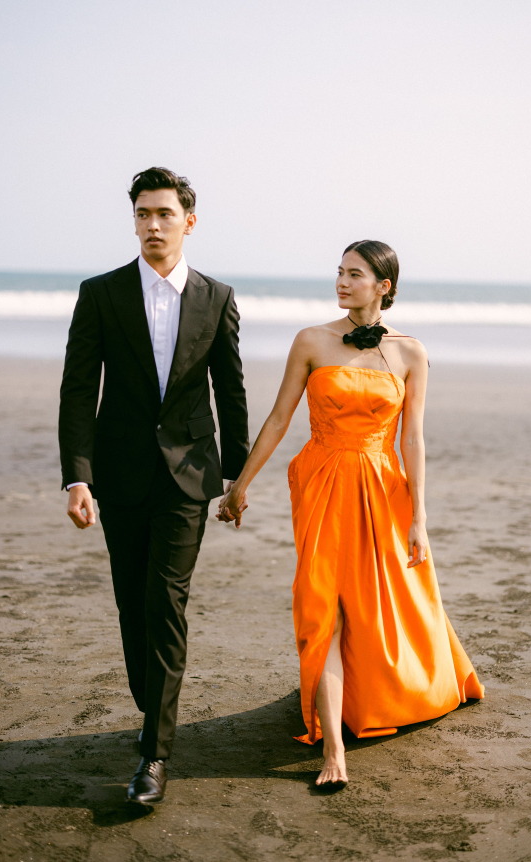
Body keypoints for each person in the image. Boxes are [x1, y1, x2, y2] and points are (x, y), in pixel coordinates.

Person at [218, 239, 484, 787]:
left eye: (355, 274)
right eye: (338, 272)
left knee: (374, 603)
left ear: (383, 285)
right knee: (325, 608)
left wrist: (420, 518)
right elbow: (276, 418)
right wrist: (240, 485)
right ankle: (333, 750)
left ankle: (387, 691)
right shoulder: (312, 340)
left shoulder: (410, 353)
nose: (341, 282)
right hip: (321, 481)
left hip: (383, 488)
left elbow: (413, 439)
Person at [59, 167, 249, 805]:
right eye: (143, 214)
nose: (152, 225)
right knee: (131, 603)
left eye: (164, 214)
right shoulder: (102, 293)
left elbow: (231, 388)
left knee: (165, 604)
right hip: (119, 473)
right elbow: (79, 391)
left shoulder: (217, 297)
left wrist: (236, 476)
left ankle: (153, 754)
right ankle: (153, 709)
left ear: (188, 220)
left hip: (188, 477)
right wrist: (77, 477)